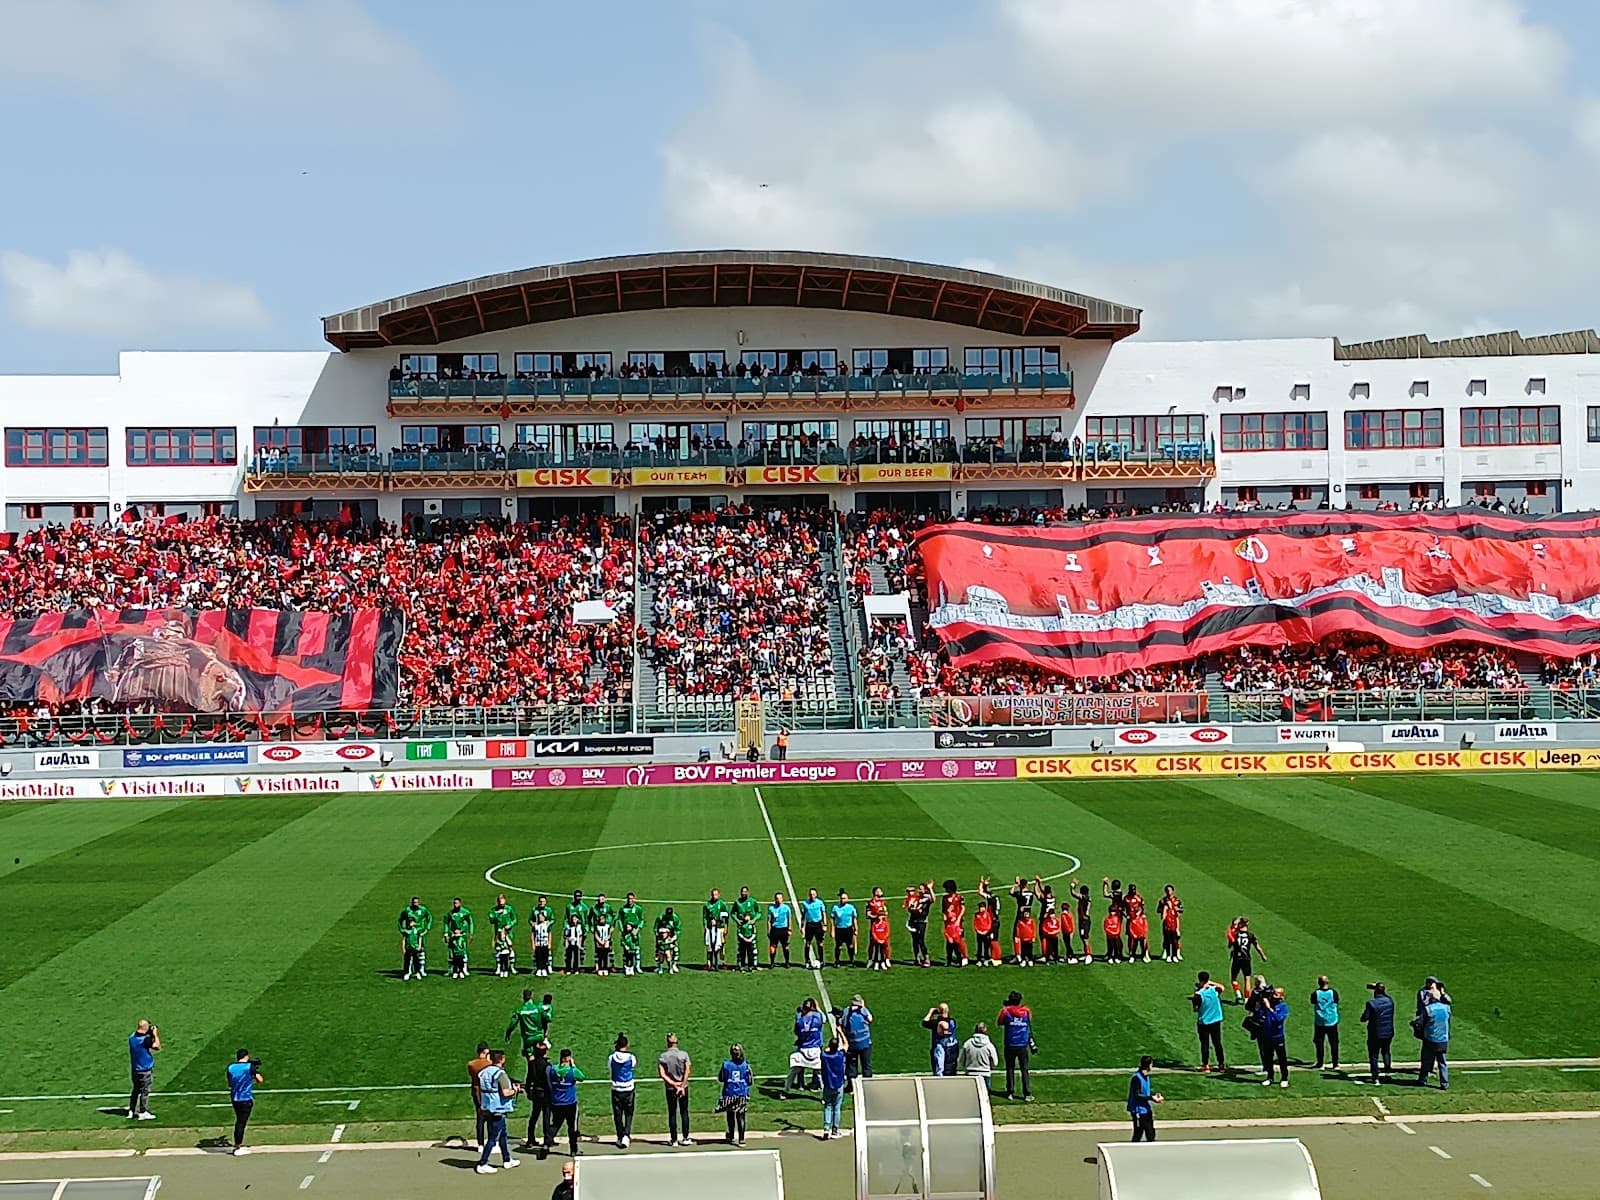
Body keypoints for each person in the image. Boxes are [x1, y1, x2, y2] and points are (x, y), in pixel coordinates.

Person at [474, 1048, 523, 1174]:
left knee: (503, 1134)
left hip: (487, 1107)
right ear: (502, 1059)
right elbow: (506, 1092)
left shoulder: (483, 1072)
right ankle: (483, 1163)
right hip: (498, 1109)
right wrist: (516, 1090)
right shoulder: (500, 1074)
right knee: (493, 1138)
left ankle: (507, 1159)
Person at [545, 1048, 584, 1158]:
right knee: (572, 1127)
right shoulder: (572, 1071)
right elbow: (582, 1077)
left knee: (555, 1125)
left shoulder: (552, 1069)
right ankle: (573, 1150)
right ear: (568, 1058)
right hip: (570, 1103)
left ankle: (546, 1144)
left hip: (556, 1102)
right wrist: (574, 1066)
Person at [997, 991, 1034, 1101]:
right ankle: (1027, 1093)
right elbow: (1029, 1020)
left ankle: (1010, 1092)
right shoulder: (1026, 1011)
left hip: (1010, 1044)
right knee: (1024, 1069)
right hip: (1022, 1044)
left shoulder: (1005, 1011)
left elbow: (999, 1022)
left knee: (1010, 1068)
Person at [226, 1049, 263, 1157]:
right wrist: (254, 1072)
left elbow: (229, 1082)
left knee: (239, 1121)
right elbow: (260, 1080)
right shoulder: (249, 1067)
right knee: (241, 1123)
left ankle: (238, 1145)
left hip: (234, 1098)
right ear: (246, 1056)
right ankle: (237, 1147)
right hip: (245, 1098)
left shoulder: (231, 1067)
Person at [1361, 982, 1396, 1084]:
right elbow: (1386, 996)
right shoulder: (1390, 1001)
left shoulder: (1371, 1003)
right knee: (1386, 1052)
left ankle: (1375, 1076)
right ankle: (1387, 1073)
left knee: (1374, 1055)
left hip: (1375, 1033)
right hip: (1388, 1032)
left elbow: (1364, 1018)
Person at [1417, 986, 1451, 1091]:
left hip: (1430, 1039)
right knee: (1442, 1062)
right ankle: (1444, 1083)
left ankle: (1423, 1079)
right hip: (1443, 1039)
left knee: (1426, 1060)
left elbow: (1421, 1023)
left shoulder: (1428, 1009)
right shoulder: (1447, 1008)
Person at [522, 1040, 553, 1156]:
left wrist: (528, 1091)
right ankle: (546, 1140)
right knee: (546, 1117)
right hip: (545, 1093)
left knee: (534, 1116)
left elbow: (529, 1078)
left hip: (536, 1092)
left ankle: (530, 1139)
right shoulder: (547, 1065)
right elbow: (549, 1081)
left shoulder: (532, 1063)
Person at [718, 1044, 753, 1146]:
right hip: (742, 1093)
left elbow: (721, 1078)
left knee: (730, 1115)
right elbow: (750, 1081)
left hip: (729, 1093)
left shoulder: (726, 1065)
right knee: (741, 1116)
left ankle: (731, 1136)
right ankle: (741, 1139)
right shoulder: (746, 1065)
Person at [1192, 970, 1227, 1072]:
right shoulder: (1214, 990)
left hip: (1204, 1022)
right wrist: (1210, 982)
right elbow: (1222, 987)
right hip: (1216, 1021)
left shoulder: (1198, 995)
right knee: (1217, 1043)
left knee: (1205, 1044)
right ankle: (1221, 1064)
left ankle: (1205, 1065)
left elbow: (1195, 1009)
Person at [127, 1019, 160, 1120]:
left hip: (135, 1069)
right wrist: (155, 1035)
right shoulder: (145, 1041)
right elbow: (157, 1046)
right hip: (145, 1070)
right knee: (145, 1091)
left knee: (135, 1090)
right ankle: (143, 1112)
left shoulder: (132, 1037)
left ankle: (131, 1110)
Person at [507, 990, 555, 1060]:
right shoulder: (538, 1008)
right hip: (539, 1035)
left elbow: (513, 1024)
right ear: (531, 996)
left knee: (530, 1057)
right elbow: (547, 1018)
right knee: (540, 1055)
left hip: (528, 1037)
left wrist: (508, 1033)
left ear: (523, 997)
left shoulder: (520, 1010)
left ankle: (532, 1069)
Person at [608, 1034, 636, 1149]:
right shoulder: (631, 1057)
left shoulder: (611, 1057)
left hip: (617, 1088)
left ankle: (620, 1136)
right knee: (629, 1113)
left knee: (617, 1114)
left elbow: (610, 1068)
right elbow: (633, 1067)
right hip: (629, 1088)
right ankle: (626, 1135)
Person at [1228, 917, 1266, 1001]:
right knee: (1247, 979)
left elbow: (1230, 946)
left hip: (1236, 959)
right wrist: (1263, 955)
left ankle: (1238, 994)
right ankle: (1246, 999)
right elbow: (1258, 947)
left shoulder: (1235, 934)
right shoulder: (1250, 935)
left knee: (1234, 978)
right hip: (1246, 959)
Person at [790, 998, 824, 1093]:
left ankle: (800, 1084)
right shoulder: (817, 1016)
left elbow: (796, 1031)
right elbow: (823, 1019)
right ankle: (817, 1086)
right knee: (817, 1069)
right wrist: (818, 1008)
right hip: (816, 1045)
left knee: (799, 1066)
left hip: (803, 1045)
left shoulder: (800, 1019)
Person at [841, 994, 874, 1087]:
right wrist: (864, 1007)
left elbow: (842, 1024)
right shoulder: (863, 1011)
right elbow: (870, 1019)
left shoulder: (846, 1011)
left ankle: (851, 1086)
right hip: (865, 1043)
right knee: (866, 1065)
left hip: (852, 1044)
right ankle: (868, 1086)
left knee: (851, 1066)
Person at [1127, 1056, 1163, 1142]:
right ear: (1148, 1065)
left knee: (1151, 1134)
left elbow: (1145, 1092)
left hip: (1146, 1110)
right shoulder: (1136, 1078)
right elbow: (1137, 1095)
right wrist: (1151, 1098)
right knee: (1138, 1134)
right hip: (1138, 1111)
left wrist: (1155, 1096)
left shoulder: (1146, 1077)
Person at [1259, 988, 1290, 1088]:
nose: (1273, 996)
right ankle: (1270, 1077)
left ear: (1281, 996)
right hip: (1267, 1036)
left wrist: (1269, 1009)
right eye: (1273, 994)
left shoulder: (1283, 1007)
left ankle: (1284, 1078)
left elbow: (1278, 1019)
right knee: (1268, 1058)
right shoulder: (1267, 1004)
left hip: (1277, 1036)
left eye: (1276, 994)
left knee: (1282, 1058)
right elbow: (1259, 1014)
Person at [1311, 975, 1341, 1070]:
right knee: (1334, 1043)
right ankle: (1335, 1064)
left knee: (1319, 1043)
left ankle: (1320, 1063)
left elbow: (1313, 1002)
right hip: (1332, 1021)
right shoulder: (1334, 993)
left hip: (1320, 1021)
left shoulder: (1315, 994)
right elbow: (1336, 1002)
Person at [398, 896, 432, 978]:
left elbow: (429, 917)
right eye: (414, 902)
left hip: (419, 933)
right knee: (409, 955)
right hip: (410, 934)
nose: (415, 904)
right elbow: (400, 920)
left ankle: (421, 970)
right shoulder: (407, 910)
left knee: (420, 951)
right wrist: (401, 929)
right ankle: (409, 971)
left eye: (417, 902)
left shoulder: (423, 910)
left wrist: (427, 928)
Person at [819, 1037, 847, 1139]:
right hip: (838, 1085)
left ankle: (826, 1129)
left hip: (827, 1086)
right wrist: (841, 1032)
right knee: (837, 1108)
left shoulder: (824, 1056)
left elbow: (824, 1050)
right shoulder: (840, 1055)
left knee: (827, 1106)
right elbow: (846, 1045)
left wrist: (830, 1048)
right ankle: (835, 1130)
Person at [468, 1041, 493, 1151]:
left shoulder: (471, 1064)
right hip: (487, 1093)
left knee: (480, 1119)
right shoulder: (489, 1064)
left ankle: (480, 1144)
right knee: (491, 1118)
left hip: (476, 1092)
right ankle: (491, 1141)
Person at [923, 1003, 959, 1076]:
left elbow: (924, 1022)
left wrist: (931, 1012)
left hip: (942, 1053)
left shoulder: (936, 1024)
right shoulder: (952, 1022)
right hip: (952, 1054)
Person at [488, 894, 518, 978]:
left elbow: (514, 919)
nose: (502, 905)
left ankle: (511, 967)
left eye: (503, 903)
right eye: (500, 903)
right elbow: (491, 920)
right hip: (498, 933)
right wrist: (498, 915)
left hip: (508, 932)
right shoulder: (493, 910)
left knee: (510, 948)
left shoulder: (509, 909)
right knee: (499, 950)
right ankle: (499, 967)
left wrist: (510, 925)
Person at [445, 897, 475, 979]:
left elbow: (470, 923)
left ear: (460, 904)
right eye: (454, 903)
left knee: (462, 952)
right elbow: (446, 923)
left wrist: (471, 933)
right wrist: (446, 934)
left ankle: (463, 969)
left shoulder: (465, 912)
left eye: (457, 903)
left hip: (462, 935)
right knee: (452, 952)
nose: (455, 905)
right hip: (453, 935)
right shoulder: (450, 913)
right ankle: (451, 970)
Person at [941, 879, 969, 967]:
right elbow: (944, 911)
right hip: (949, 923)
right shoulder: (944, 898)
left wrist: (958, 919)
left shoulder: (959, 897)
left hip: (957, 923)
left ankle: (964, 957)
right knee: (949, 941)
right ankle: (949, 959)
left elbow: (963, 908)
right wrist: (945, 919)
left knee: (959, 941)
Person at [702, 887, 731, 971]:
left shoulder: (722, 904)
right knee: (709, 946)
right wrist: (705, 926)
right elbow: (704, 917)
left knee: (721, 946)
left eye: (716, 894)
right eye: (713, 895)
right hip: (710, 928)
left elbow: (726, 917)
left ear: (719, 895)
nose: (714, 896)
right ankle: (709, 963)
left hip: (720, 927)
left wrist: (726, 927)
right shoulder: (707, 905)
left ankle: (722, 962)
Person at [905, 883, 932, 967]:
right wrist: (911, 909)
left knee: (921, 940)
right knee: (915, 940)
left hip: (922, 921)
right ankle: (917, 958)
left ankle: (926, 958)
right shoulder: (916, 898)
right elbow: (909, 907)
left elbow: (933, 899)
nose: (919, 890)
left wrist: (930, 889)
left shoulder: (927, 898)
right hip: (913, 921)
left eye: (921, 889)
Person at [973, 878, 998, 967]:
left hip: (991, 922)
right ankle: (989, 958)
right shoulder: (995, 899)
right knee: (987, 942)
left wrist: (982, 884)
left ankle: (993, 958)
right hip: (994, 920)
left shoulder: (991, 899)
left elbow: (980, 892)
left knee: (990, 942)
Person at [830, 890, 859, 966]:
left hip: (848, 929)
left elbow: (854, 919)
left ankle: (852, 960)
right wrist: (832, 930)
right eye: (842, 898)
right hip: (839, 929)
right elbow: (832, 918)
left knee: (850, 945)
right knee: (838, 946)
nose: (843, 900)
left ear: (847, 899)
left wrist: (856, 929)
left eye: (844, 898)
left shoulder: (851, 908)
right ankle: (837, 961)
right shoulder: (835, 908)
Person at [801, 887, 828, 969]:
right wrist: (802, 926)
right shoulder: (805, 903)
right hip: (809, 925)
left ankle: (822, 960)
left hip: (818, 925)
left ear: (816, 895)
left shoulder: (820, 903)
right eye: (810, 894)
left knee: (820, 943)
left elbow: (823, 913)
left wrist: (825, 925)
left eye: (813, 894)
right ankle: (807, 961)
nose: (812, 895)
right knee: (808, 943)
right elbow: (803, 916)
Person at [1158, 885, 1184, 962]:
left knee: (1175, 940)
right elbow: (1159, 911)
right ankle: (1168, 954)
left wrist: (1176, 909)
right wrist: (1165, 908)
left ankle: (1175, 955)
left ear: (1173, 891)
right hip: (1166, 924)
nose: (1168, 892)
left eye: (1170, 890)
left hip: (1174, 923)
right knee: (1167, 940)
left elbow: (1181, 910)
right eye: (1167, 890)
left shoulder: (1177, 900)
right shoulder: (1163, 901)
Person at [768, 891, 793, 968]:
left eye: (780, 898)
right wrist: (769, 930)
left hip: (783, 929)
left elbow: (789, 919)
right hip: (774, 929)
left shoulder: (786, 908)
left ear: (782, 899)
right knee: (773, 947)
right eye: (777, 898)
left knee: (785, 946)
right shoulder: (771, 908)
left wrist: (789, 929)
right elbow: (769, 920)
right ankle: (772, 962)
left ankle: (787, 962)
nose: (778, 900)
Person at [655, 906, 681, 974]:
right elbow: (656, 927)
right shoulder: (660, 918)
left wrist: (673, 938)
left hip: (671, 935)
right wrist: (658, 936)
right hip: (662, 935)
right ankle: (659, 966)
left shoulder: (675, 918)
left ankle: (674, 964)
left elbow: (678, 929)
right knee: (659, 951)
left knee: (675, 950)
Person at [530, 906, 554, 978]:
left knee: (545, 956)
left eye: (542, 917)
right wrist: (533, 944)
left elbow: (549, 934)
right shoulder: (536, 926)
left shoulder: (547, 925)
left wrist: (549, 943)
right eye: (539, 917)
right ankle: (539, 968)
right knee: (538, 956)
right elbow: (532, 935)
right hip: (538, 943)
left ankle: (544, 968)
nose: (541, 918)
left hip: (545, 943)